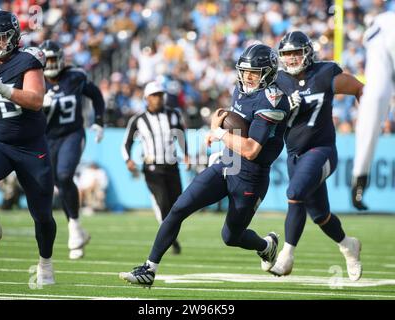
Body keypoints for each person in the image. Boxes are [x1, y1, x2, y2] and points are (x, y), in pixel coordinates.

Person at [119, 43, 290, 286]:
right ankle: (149, 268)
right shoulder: (241, 89)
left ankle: (266, 246)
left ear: (269, 73)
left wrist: (217, 134)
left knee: (230, 236)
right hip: (227, 163)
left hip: (251, 176)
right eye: (245, 72)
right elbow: (234, 119)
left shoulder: (272, 101)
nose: (247, 77)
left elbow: (251, 149)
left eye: (254, 73)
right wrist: (218, 120)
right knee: (178, 208)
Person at [269, 31, 364, 281]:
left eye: (295, 53)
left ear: (307, 53)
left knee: (294, 192)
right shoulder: (277, 81)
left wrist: (367, 119)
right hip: (294, 154)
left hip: (322, 150)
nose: (290, 59)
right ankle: (348, 244)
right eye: (286, 54)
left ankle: (286, 256)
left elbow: (358, 89)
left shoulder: (324, 74)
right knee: (320, 215)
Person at [0, 10, 56, 285]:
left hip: (30, 146)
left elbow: (36, 100)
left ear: (12, 37)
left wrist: (2, 88)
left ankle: (45, 262)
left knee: (42, 215)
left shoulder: (28, 61)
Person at [39, 40, 105, 260]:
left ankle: (74, 227)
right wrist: (37, 101)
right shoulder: (34, 79)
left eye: (52, 59)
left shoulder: (74, 76)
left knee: (65, 175)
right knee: (53, 183)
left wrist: (99, 120)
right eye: (45, 59)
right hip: (46, 138)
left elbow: (95, 94)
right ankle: (77, 229)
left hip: (72, 133)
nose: (49, 64)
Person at [121, 80, 190, 255]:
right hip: (152, 168)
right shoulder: (138, 119)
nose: (158, 99)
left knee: (178, 205)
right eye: (154, 95)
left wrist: (187, 154)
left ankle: (170, 234)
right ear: (146, 98)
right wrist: (128, 159)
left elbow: (181, 136)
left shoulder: (173, 114)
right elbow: (126, 143)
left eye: (160, 95)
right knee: (163, 203)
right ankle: (170, 239)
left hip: (172, 165)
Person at [352, 11, 395, 211]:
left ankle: (360, 177)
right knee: (374, 100)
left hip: (381, 32)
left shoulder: (382, 20)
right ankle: (359, 177)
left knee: (373, 102)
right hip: (383, 37)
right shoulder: (385, 21)